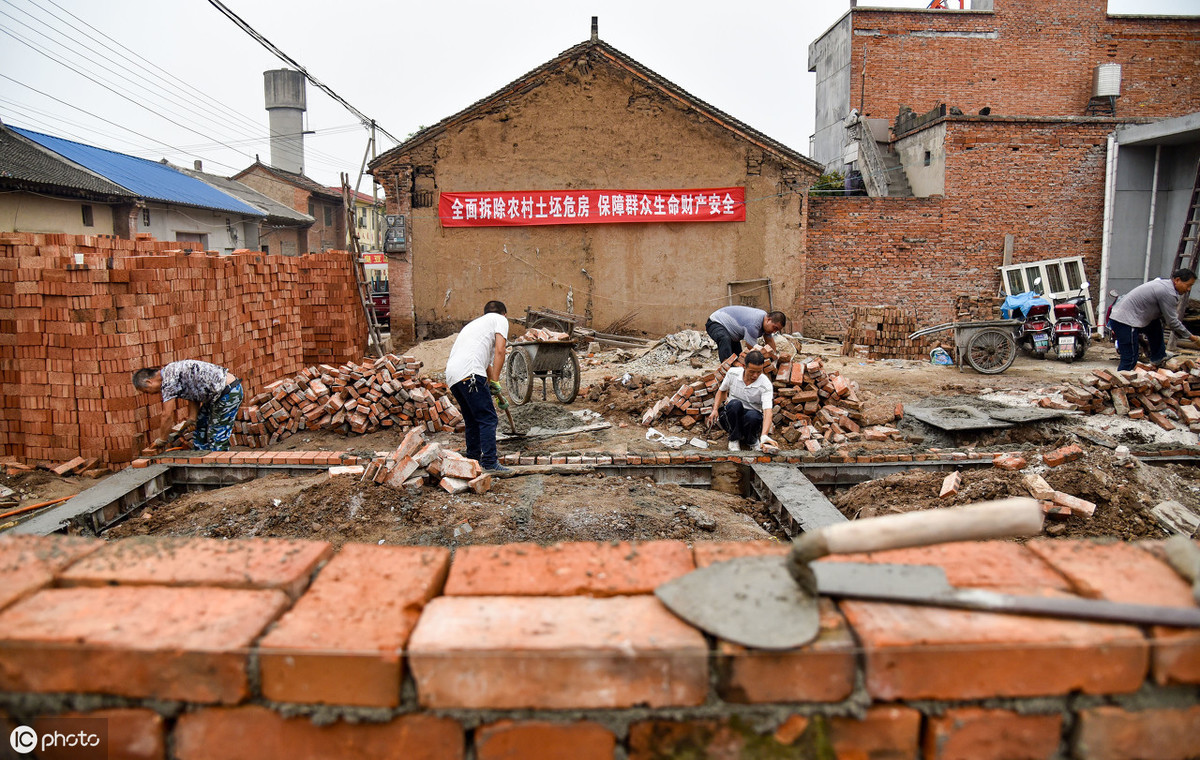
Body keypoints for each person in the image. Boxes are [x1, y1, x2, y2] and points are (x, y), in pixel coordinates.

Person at [445, 301, 511, 473]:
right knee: (488, 418)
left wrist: (493, 386)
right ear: (504, 314)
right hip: (471, 374)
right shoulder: (500, 320)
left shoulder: (476, 325)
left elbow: (487, 364)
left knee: (473, 420)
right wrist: (496, 380)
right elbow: (500, 350)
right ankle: (489, 463)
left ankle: (473, 460)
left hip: (454, 376)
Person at [133, 360, 242, 451]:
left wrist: (162, 439)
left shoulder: (168, 380)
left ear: (149, 382)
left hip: (228, 392)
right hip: (216, 395)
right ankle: (203, 464)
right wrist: (192, 418)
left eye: (147, 391)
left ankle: (221, 470)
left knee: (217, 436)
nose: (150, 394)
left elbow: (167, 415)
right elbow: (193, 393)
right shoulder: (171, 372)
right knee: (201, 431)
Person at [1108, 269, 1200, 372]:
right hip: (1124, 321)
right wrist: (1193, 338)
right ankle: (1121, 381)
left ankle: (1158, 357)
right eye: (1188, 285)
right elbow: (1172, 322)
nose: (1188, 289)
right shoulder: (1168, 292)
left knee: (1155, 324)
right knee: (1130, 358)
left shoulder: (1164, 284)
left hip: (1133, 317)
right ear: (1177, 280)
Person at [706, 350, 776, 452]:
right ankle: (734, 439)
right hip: (733, 415)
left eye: (759, 372)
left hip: (751, 419)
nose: (755, 375)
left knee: (753, 416)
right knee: (734, 404)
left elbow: (767, 412)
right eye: (752, 371)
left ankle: (752, 440)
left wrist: (764, 435)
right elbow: (722, 390)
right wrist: (715, 409)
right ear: (744, 366)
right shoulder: (733, 373)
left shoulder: (765, 384)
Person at [705, 305, 787, 362]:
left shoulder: (765, 323)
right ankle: (726, 369)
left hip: (731, 333)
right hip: (715, 322)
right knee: (724, 339)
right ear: (768, 320)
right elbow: (751, 346)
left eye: (777, 330)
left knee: (739, 358)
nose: (774, 331)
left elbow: (769, 341)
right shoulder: (754, 324)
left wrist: (774, 357)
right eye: (775, 328)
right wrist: (764, 356)